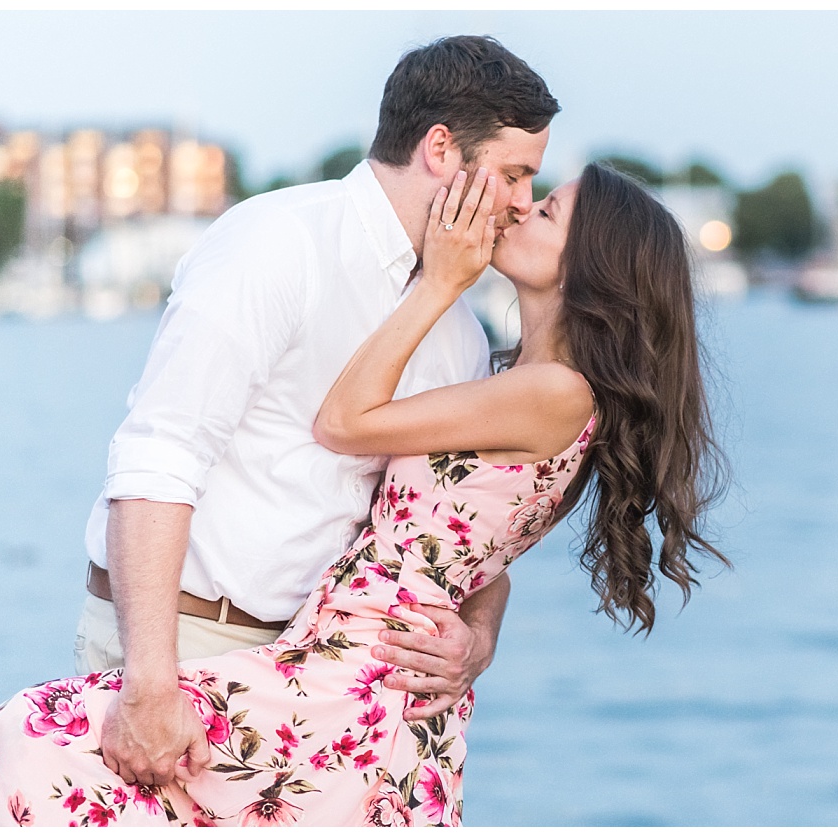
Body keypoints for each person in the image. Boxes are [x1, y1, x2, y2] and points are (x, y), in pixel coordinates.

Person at [0, 163, 728, 826]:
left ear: (591, 262)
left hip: (349, 676)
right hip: (352, 669)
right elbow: (474, 550)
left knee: (33, 743)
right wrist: (478, 633)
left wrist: (439, 283)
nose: (520, 204)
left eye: (548, 207)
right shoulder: (517, 377)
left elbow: (345, 420)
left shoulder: (554, 391)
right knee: (45, 749)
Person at [77, 35, 560, 798]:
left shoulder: (462, 332)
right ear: (441, 149)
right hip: (186, 643)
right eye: (513, 174)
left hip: (325, 686)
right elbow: (157, 455)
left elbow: (454, 522)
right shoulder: (274, 242)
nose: (523, 202)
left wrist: (482, 630)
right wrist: (149, 684)